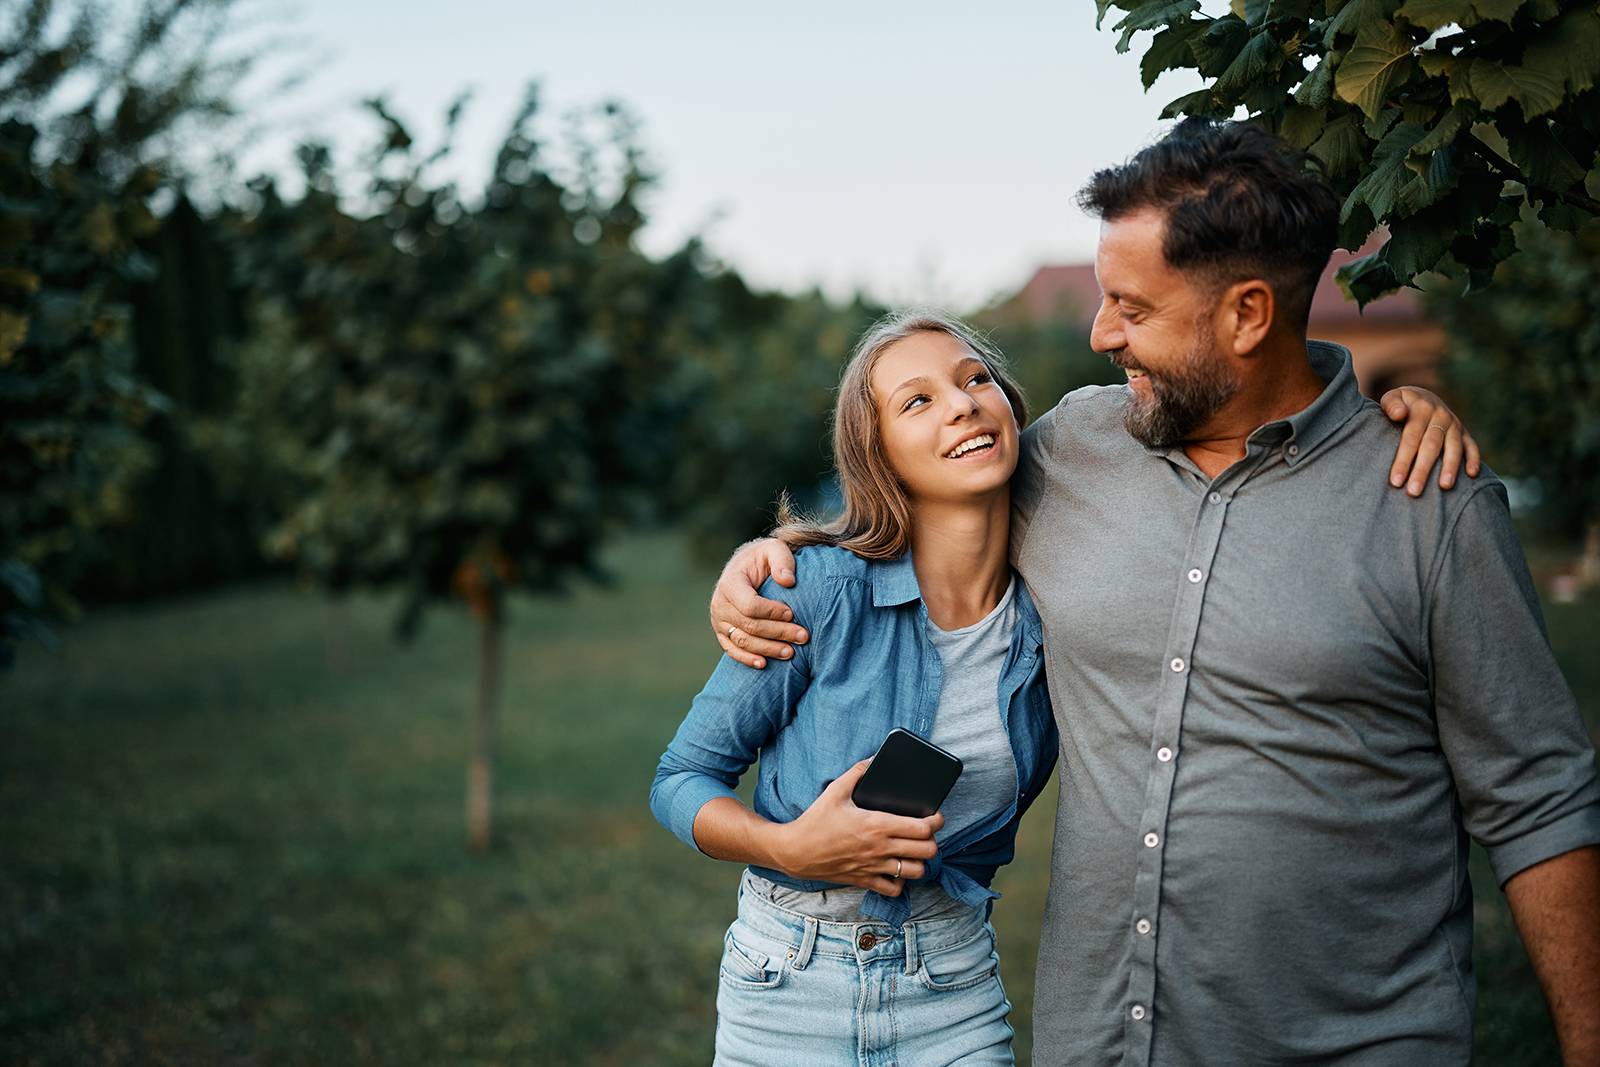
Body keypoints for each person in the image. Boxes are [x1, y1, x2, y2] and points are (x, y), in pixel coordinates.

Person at [708, 118, 1600, 1067]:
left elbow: (1538, 798)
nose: (1101, 333)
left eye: (1132, 306)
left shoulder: (1426, 503)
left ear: (1248, 315)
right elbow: (911, 494)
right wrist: (770, 550)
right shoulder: (1066, 452)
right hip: (1103, 1043)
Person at [658, 304, 1473, 1063]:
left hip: (952, 980)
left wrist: (1375, 419)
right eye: (917, 401)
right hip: (787, 975)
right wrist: (790, 844)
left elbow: (1220, 417)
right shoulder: (819, 591)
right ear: (881, 457)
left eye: (975, 379)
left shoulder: (1061, 612)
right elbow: (680, 778)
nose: (962, 404)